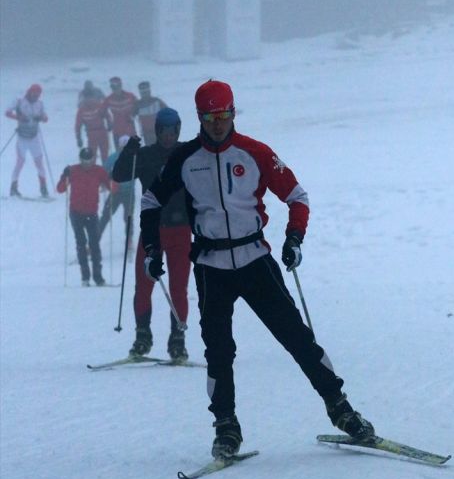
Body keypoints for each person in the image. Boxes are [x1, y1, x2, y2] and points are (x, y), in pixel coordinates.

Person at [139, 80, 375, 459]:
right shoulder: (185, 158)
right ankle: (226, 427)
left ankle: (341, 409)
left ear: (234, 112)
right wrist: (153, 249)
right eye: (211, 117)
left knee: (297, 338)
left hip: (254, 259)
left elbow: (297, 196)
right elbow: (151, 201)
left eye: (225, 115)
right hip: (210, 266)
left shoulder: (255, 152)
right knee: (218, 352)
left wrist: (294, 238)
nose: (218, 123)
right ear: (200, 118)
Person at [113, 108, 191, 360]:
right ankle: (142, 337)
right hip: (152, 231)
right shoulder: (144, 155)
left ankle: (177, 339)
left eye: (172, 131)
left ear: (178, 130)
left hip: (181, 230)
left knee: (179, 288)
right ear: (156, 131)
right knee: (143, 286)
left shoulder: (186, 154)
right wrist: (128, 152)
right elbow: (119, 174)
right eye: (163, 131)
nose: (168, 136)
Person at [57, 147, 111, 286]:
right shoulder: (73, 170)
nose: (87, 163)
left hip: (92, 213)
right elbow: (60, 189)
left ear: (93, 159)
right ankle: (85, 277)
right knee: (81, 243)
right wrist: (64, 176)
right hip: (76, 213)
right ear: (80, 159)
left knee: (94, 245)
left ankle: (98, 277)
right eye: (84, 160)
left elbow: (112, 186)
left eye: (89, 160)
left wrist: (114, 177)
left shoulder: (99, 171)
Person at [5, 83, 49, 197]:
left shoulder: (40, 104)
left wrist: (42, 118)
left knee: (39, 163)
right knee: (20, 162)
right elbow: (7, 112)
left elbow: (45, 118)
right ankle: (13, 188)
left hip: (34, 138)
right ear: (29, 92)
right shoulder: (19, 101)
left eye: (38, 95)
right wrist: (19, 117)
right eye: (34, 94)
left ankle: (43, 188)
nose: (36, 96)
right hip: (22, 138)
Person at [98, 135, 134, 251]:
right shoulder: (114, 157)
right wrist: (106, 181)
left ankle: (129, 241)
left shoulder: (135, 157)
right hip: (116, 192)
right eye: (123, 147)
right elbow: (103, 171)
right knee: (105, 216)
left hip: (129, 193)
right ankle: (95, 240)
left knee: (128, 217)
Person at [75, 87, 112, 164]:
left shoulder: (99, 105)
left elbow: (107, 115)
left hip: (102, 132)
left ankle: (106, 173)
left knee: (105, 156)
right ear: (84, 98)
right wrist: (78, 138)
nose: (89, 100)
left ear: (93, 96)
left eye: (90, 97)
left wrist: (110, 124)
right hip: (91, 134)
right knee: (92, 156)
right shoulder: (81, 110)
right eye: (87, 97)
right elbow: (78, 125)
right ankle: (94, 173)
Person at [100, 77, 137, 149]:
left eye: (117, 86)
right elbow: (102, 111)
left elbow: (138, 106)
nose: (115, 89)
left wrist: (133, 114)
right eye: (113, 87)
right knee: (119, 154)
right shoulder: (109, 99)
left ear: (121, 85)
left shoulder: (130, 96)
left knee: (134, 152)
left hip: (130, 130)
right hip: (117, 131)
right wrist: (109, 121)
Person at [134, 81, 167, 145]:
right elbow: (130, 116)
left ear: (149, 91)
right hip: (146, 133)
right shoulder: (138, 104)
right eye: (143, 92)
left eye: (146, 92)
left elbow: (168, 112)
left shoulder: (157, 101)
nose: (145, 94)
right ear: (140, 93)